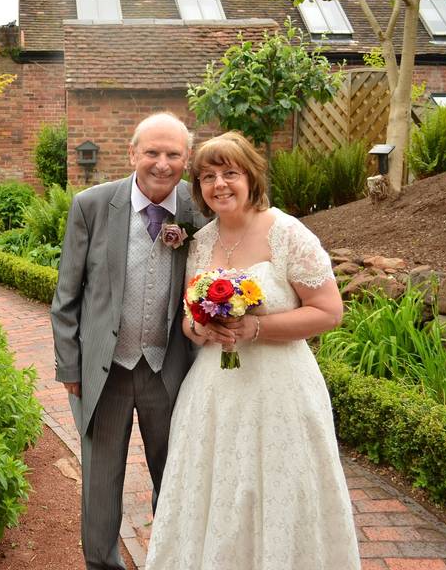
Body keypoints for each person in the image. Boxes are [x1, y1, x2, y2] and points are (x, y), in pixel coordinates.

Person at [145, 132, 361, 569]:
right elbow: (189, 317)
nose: (220, 184)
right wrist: (199, 331)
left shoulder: (287, 233)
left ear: (251, 177)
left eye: (230, 173)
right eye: (208, 176)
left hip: (279, 390)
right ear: (199, 188)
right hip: (214, 393)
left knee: (278, 488)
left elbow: (328, 312)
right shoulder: (201, 241)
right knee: (218, 487)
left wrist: (255, 326)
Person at [51, 112, 208, 570]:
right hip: (106, 371)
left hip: (170, 369)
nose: (162, 163)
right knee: (100, 484)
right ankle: (102, 565)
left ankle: (172, 559)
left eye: (173, 154)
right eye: (152, 152)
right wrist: (70, 368)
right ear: (133, 154)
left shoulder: (198, 210)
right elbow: (66, 296)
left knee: (175, 478)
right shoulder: (92, 205)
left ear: (186, 158)